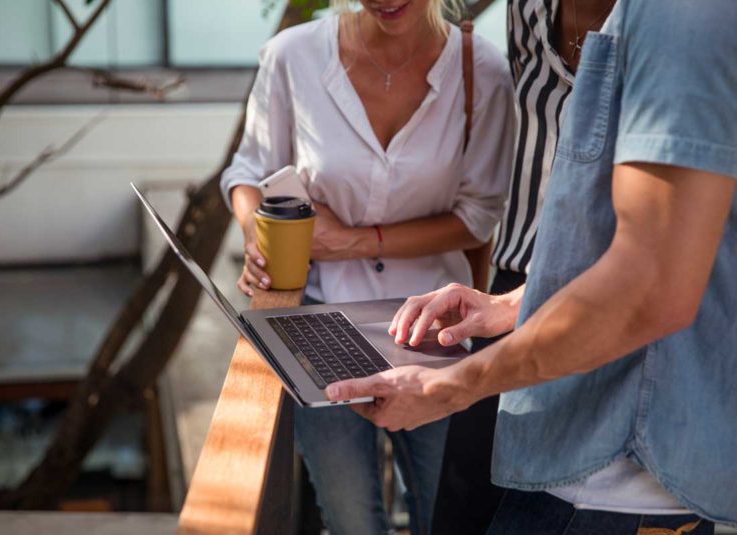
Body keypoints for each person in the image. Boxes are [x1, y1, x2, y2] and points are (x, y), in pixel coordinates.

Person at [326, 0, 737, 532]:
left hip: (621, 474)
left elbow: (651, 285)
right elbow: (669, 242)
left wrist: (451, 386)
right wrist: (508, 304)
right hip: (581, 446)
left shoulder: (681, 16)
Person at [219, 1, 515, 533]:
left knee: (446, 518)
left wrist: (354, 241)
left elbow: (478, 217)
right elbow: (248, 173)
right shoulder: (295, 54)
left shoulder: (482, 71)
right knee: (351, 520)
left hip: (435, 333)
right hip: (315, 324)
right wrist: (255, 235)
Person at [430, 1, 615, 533]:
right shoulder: (528, 7)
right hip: (512, 282)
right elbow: (428, 10)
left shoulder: (675, 23)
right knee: (465, 504)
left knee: (577, 510)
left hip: (619, 292)